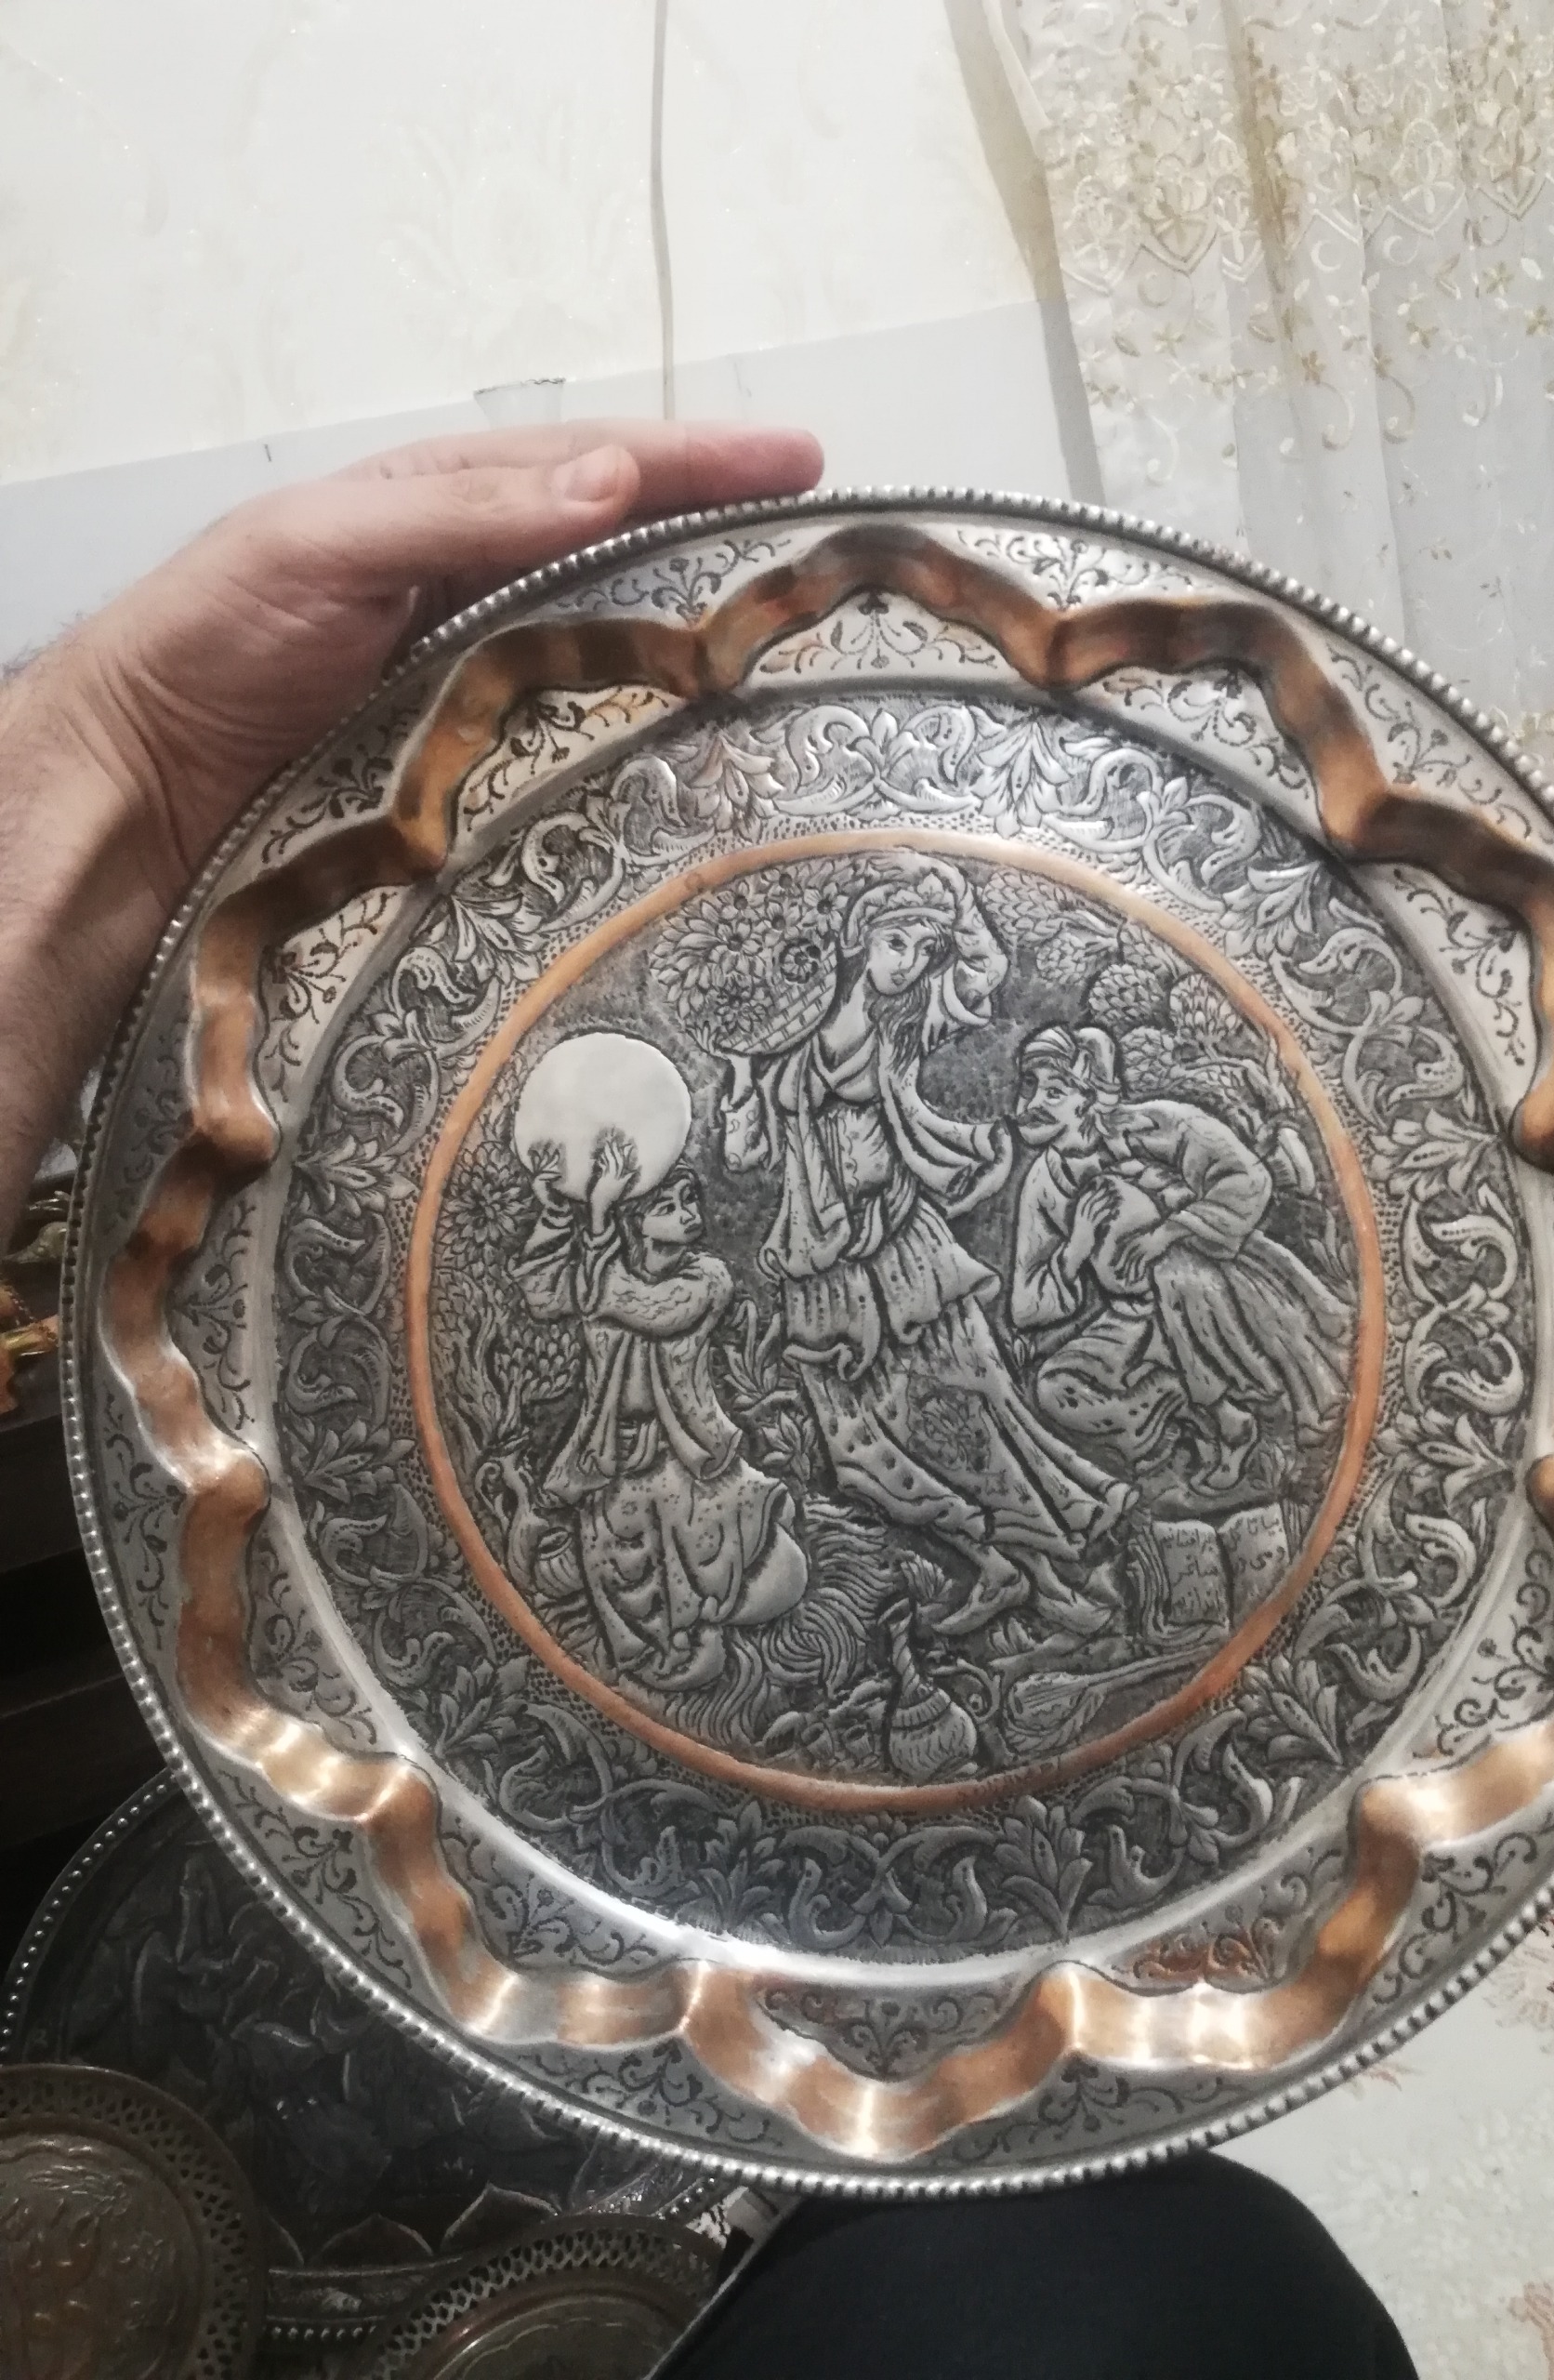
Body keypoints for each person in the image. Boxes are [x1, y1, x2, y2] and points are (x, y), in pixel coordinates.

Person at [0, 417, 1417, 2378]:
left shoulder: (909, 1113)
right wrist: (113, 755)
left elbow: (929, 1170)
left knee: (1194, 2291)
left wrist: (133, 768)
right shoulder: (761, 1149)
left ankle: (1054, 1573)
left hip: (878, 1355)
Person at [718, 856, 1127, 1641]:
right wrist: (741, 1073)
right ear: (857, 939)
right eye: (896, 942)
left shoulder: (908, 1021)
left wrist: (954, 892)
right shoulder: (785, 1053)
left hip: (908, 1253)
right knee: (858, 1454)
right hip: (823, 1275)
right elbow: (742, 1158)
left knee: (971, 1416)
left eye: (923, 949)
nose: (910, 963)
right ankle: (994, 1564)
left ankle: (1052, 1582)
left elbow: (984, 970)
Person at [1011, 1023, 1350, 1504]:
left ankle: (1233, 1423)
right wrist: (1075, 1248)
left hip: (1213, 1292)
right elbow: (1026, 1308)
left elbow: (1247, 1178)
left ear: (1088, 1097)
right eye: (1030, 1088)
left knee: (1179, 1276)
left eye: (1053, 1092)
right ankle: (1202, 1414)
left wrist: (1167, 1233)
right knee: (1055, 1391)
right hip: (1130, 1318)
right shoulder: (1044, 1185)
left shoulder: (1159, 1125)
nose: (1029, 1105)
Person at [515, 1138, 807, 1687]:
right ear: (639, 1222)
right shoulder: (604, 1270)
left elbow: (649, 1310)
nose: (687, 1214)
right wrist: (554, 1212)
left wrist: (596, 1220)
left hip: (685, 1449)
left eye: (689, 1200)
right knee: (615, 1560)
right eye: (666, 1207)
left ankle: (707, 1637)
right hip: (612, 1450)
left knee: (708, 1552)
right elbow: (543, 1293)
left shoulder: (707, 1278)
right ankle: (660, 1654)